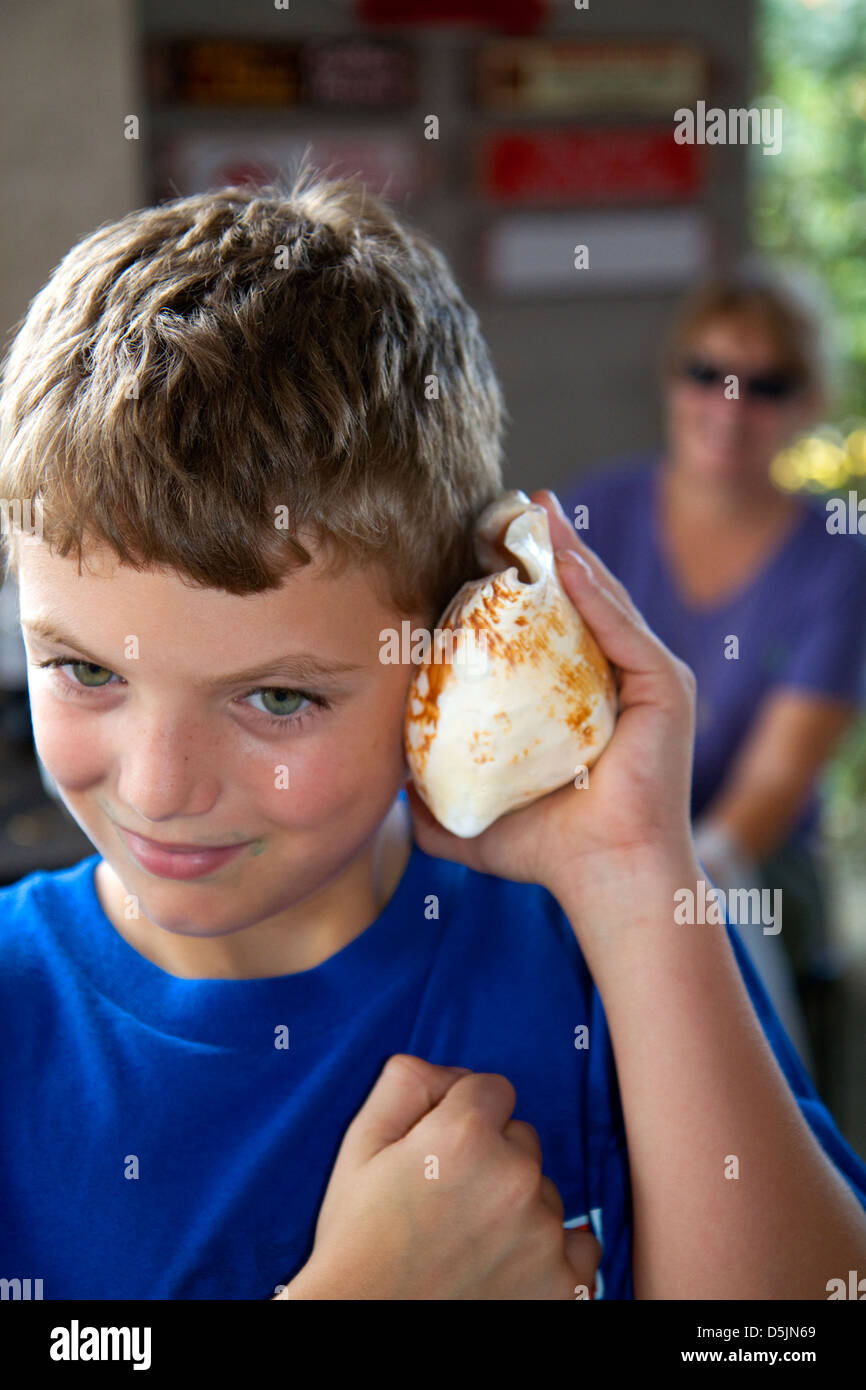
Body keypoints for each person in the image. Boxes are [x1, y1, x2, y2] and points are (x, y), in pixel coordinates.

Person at [0, 170, 865, 1302]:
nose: (160, 790)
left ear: (449, 651)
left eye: (276, 699)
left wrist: (626, 871)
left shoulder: (596, 952)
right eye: (83, 670)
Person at [559, 270, 866, 1085]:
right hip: (585, 837)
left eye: (765, 385)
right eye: (708, 373)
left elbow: (773, 783)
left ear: (808, 402)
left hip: (748, 867)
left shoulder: (838, 560)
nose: (729, 407)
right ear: (672, 377)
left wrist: (671, 891)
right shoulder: (591, 515)